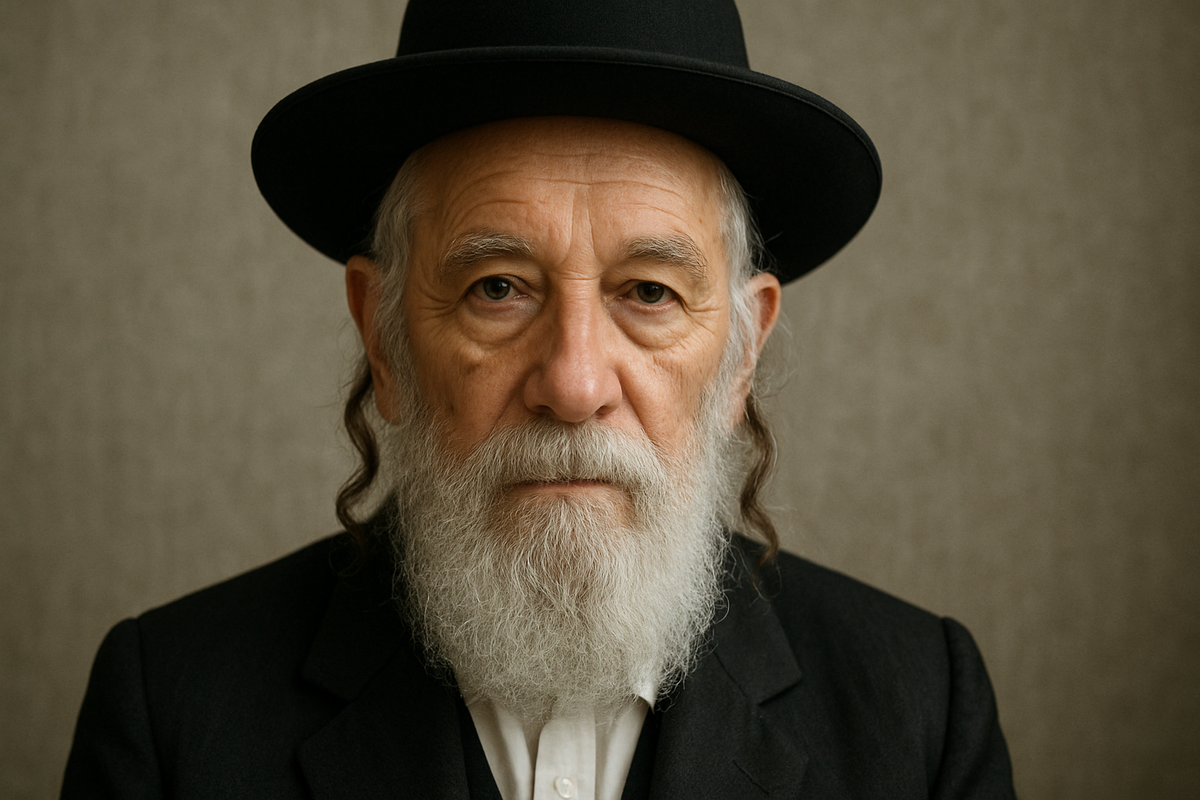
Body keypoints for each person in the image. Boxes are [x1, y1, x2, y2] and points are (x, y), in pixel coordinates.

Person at [62, 1, 1016, 798]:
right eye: (498, 289)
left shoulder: (920, 714)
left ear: (740, 354)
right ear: (383, 340)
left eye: (650, 292)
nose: (574, 384)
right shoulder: (173, 711)